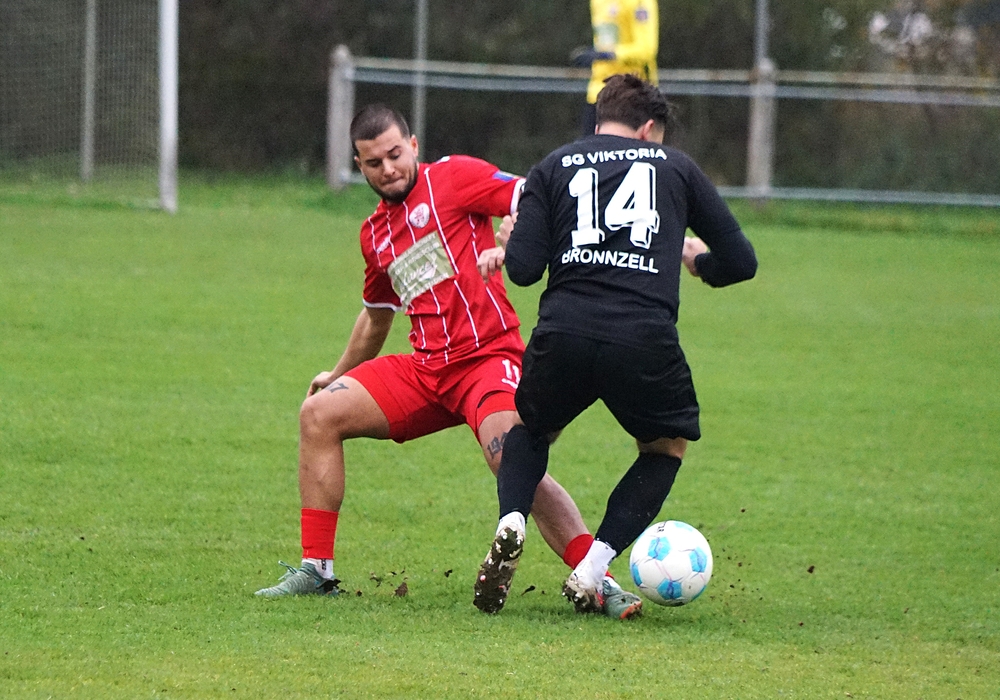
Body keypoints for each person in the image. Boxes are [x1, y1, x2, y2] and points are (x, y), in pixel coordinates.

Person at [255, 104, 634, 620]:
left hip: (488, 359)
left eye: (395, 154)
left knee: (512, 460)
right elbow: (376, 319)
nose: (388, 169)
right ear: (359, 166)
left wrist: (517, 236)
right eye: (373, 163)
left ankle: (598, 580)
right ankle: (316, 570)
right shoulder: (374, 235)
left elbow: (534, 195)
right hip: (427, 371)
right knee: (318, 414)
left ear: (413, 145)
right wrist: (338, 373)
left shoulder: (454, 178)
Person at [473, 74, 757, 616]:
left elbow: (525, 270)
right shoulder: (676, 167)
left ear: (601, 120)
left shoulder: (553, 165)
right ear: (649, 129)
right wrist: (698, 262)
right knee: (665, 447)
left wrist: (515, 239)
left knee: (532, 430)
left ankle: (511, 520)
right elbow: (742, 262)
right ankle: (592, 566)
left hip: (564, 331)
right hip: (642, 338)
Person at [574, 0, 659, 137]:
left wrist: (610, 55)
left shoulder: (640, 3)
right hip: (598, 93)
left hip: (632, 94)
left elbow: (646, 50)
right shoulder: (598, 2)